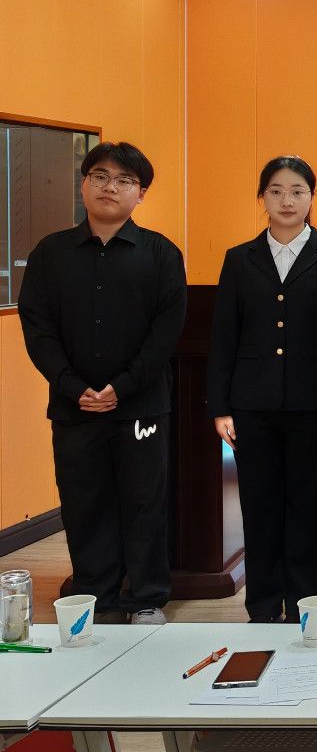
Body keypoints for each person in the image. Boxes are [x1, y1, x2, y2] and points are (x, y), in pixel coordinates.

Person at [18, 142, 186, 626]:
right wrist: (72, 386)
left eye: (124, 181)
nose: (110, 187)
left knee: (144, 502)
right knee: (83, 502)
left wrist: (124, 386)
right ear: (83, 185)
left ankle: (147, 598)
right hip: (74, 406)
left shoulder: (160, 253)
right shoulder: (50, 253)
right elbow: (38, 328)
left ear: (141, 193)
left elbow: (166, 331)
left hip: (141, 406)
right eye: (100, 177)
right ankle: (96, 595)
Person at [209, 156, 317, 623]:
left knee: (313, 509)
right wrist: (220, 406)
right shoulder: (240, 259)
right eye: (276, 191)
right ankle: (262, 606)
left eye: (297, 191)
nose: (287, 200)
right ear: (262, 197)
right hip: (252, 409)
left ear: (312, 197)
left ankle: (306, 606)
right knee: (260, 508)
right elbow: (224, 337)